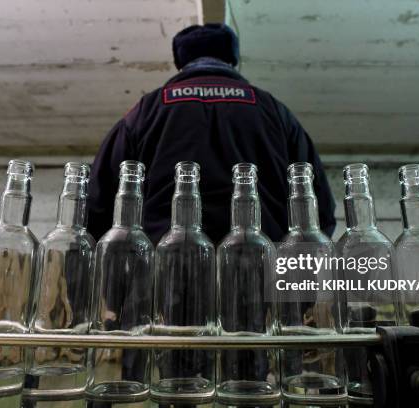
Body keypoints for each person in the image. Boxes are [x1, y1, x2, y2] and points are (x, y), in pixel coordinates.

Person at [88, 23, 336, 244]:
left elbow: (97, 204)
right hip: (262, 267)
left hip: (165, 271)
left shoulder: (147, 110)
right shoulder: (272, 109)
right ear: (232, 59)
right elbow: (319, 208)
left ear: (182, 63)